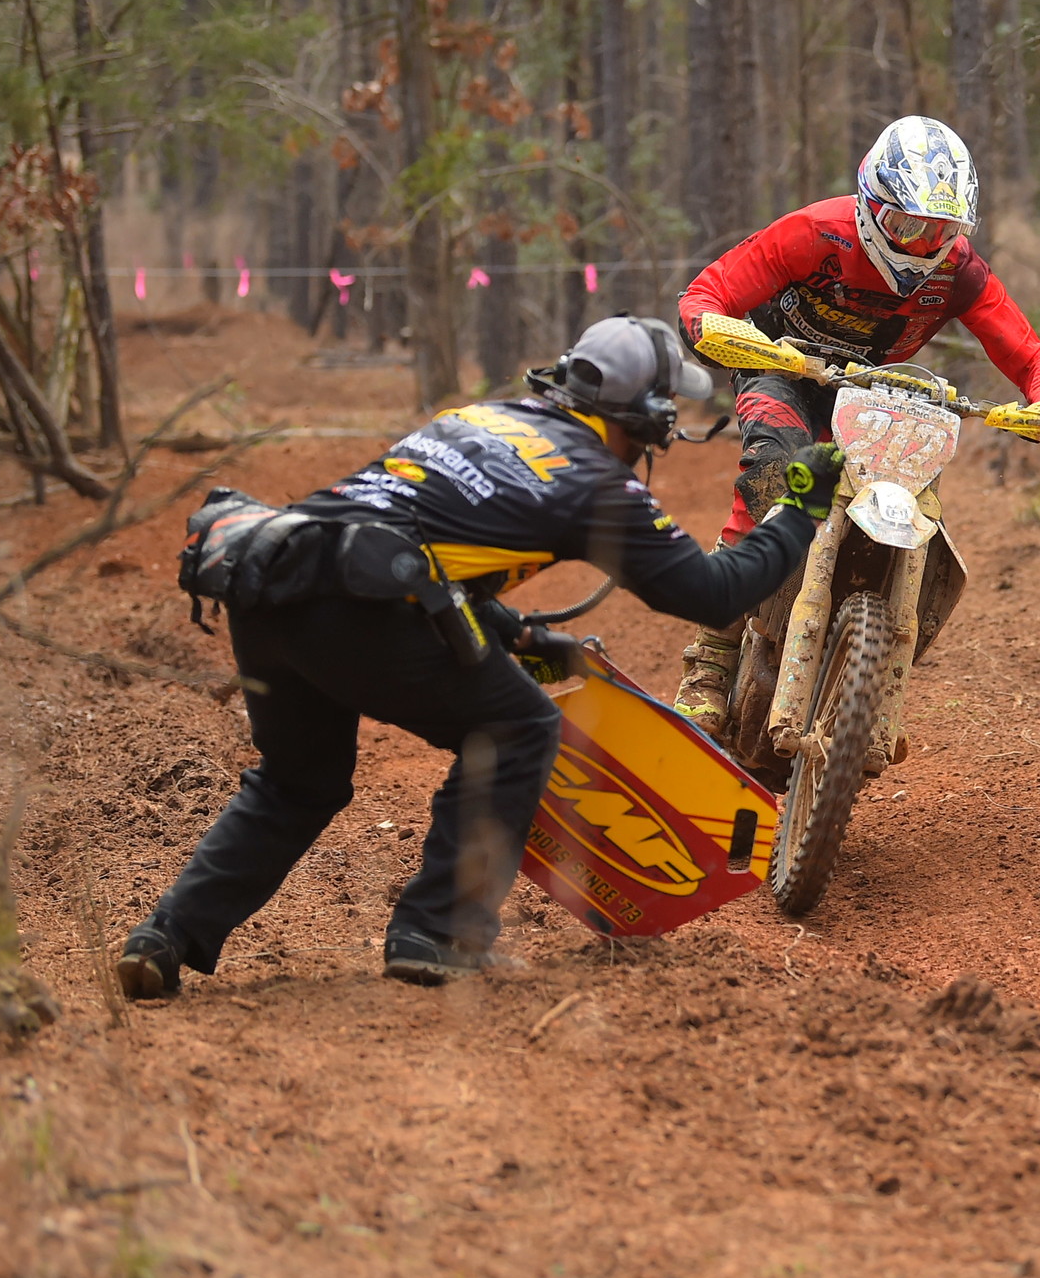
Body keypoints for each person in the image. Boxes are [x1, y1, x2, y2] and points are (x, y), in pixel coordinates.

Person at [117, 315, 843, 994]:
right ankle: (435, 933)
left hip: (270, 582)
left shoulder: (481, 417)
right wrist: (801, 510)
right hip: (361, 606)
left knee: (297, 783)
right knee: (519, 727)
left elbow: (414, 545)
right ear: (647, 417)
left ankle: (164, 937)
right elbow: (716, 595)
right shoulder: (596, 481)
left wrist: (518, 634)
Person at [670, 115, 1040, 734]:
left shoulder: (959, 270)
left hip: (867, 389)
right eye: (908, 224)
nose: (921, 243)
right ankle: (710, 663)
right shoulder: (815, 232)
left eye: (941, 229)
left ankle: (864, 661)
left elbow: (1029, 353)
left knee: (904, 489)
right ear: (870, 203)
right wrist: (719, 331)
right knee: (778, 470)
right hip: (778, 363)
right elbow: (706, 294)